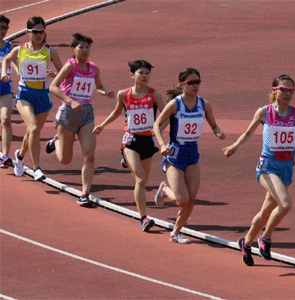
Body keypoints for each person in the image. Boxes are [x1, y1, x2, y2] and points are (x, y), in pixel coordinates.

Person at [223, 74, 295, 266]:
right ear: (274, 90)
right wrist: (234, 146)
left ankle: (245, 242)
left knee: (265, 212)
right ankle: (266, 238)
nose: (287, 93)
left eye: (291, 90)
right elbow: (247, 133)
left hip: (286, 168)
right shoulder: (264, 112)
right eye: (283, 89)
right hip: (267, 167)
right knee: (285, 204)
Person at [153, 67, 225, 244]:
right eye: (190, 83)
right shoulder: (175, 104)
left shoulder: (204, 104)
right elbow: (157, 125)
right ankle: (164, 189)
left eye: (197, 82)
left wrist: (218, 132)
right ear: (181, 85)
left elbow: (213, 124)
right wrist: (162, 144)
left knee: (191, 199)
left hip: (193, 154)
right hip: (175, 154)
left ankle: (175, 232)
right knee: (181, 199)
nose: (195, 86)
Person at [93, 59, 165, 230]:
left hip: (148, 140)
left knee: (143, 181)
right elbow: (117, 111)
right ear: (132, 75)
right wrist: (102, 125)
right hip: (131, 140)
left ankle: (127, 162)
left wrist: (159, 129)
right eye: (141, 73)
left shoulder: (155, 95)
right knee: (140, 178)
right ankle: (144, 218)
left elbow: (166, 115)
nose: (145, 76)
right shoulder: (123, 94)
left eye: (148, 73)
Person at [47, 33, 114, 207]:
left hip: (86, 114)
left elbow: (98, 86)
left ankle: (85, 193)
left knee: (89, 156)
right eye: (81, 47)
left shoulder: (93, 68)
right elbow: (54, 86)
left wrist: (106, 92)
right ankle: (56, 141)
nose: (85, 51)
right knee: (65, 160)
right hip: (68, 114)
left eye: (87, 47)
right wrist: (70, 100)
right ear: (73, 49)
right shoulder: (70, 66)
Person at [1, 16, 63, 180]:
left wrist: (54, 74)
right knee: (34, 129)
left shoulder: (50, 51)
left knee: (32, 132)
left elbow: (64, 73)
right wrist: (3, 73)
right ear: (28, 32)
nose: (38, 35)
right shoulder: (20, 49)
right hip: (25, 94)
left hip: (43, 96)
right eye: (35, 32)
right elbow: (6, 60)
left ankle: (20, 156)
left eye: (41, 31)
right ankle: (37, 168)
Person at [0, 15, 18, 168]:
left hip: (5, 87)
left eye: (5, 28)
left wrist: (19, 72)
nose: (3, 31)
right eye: (0, 27)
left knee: (6, 119)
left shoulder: (8, 46)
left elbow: (14, 62)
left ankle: (5, 155)